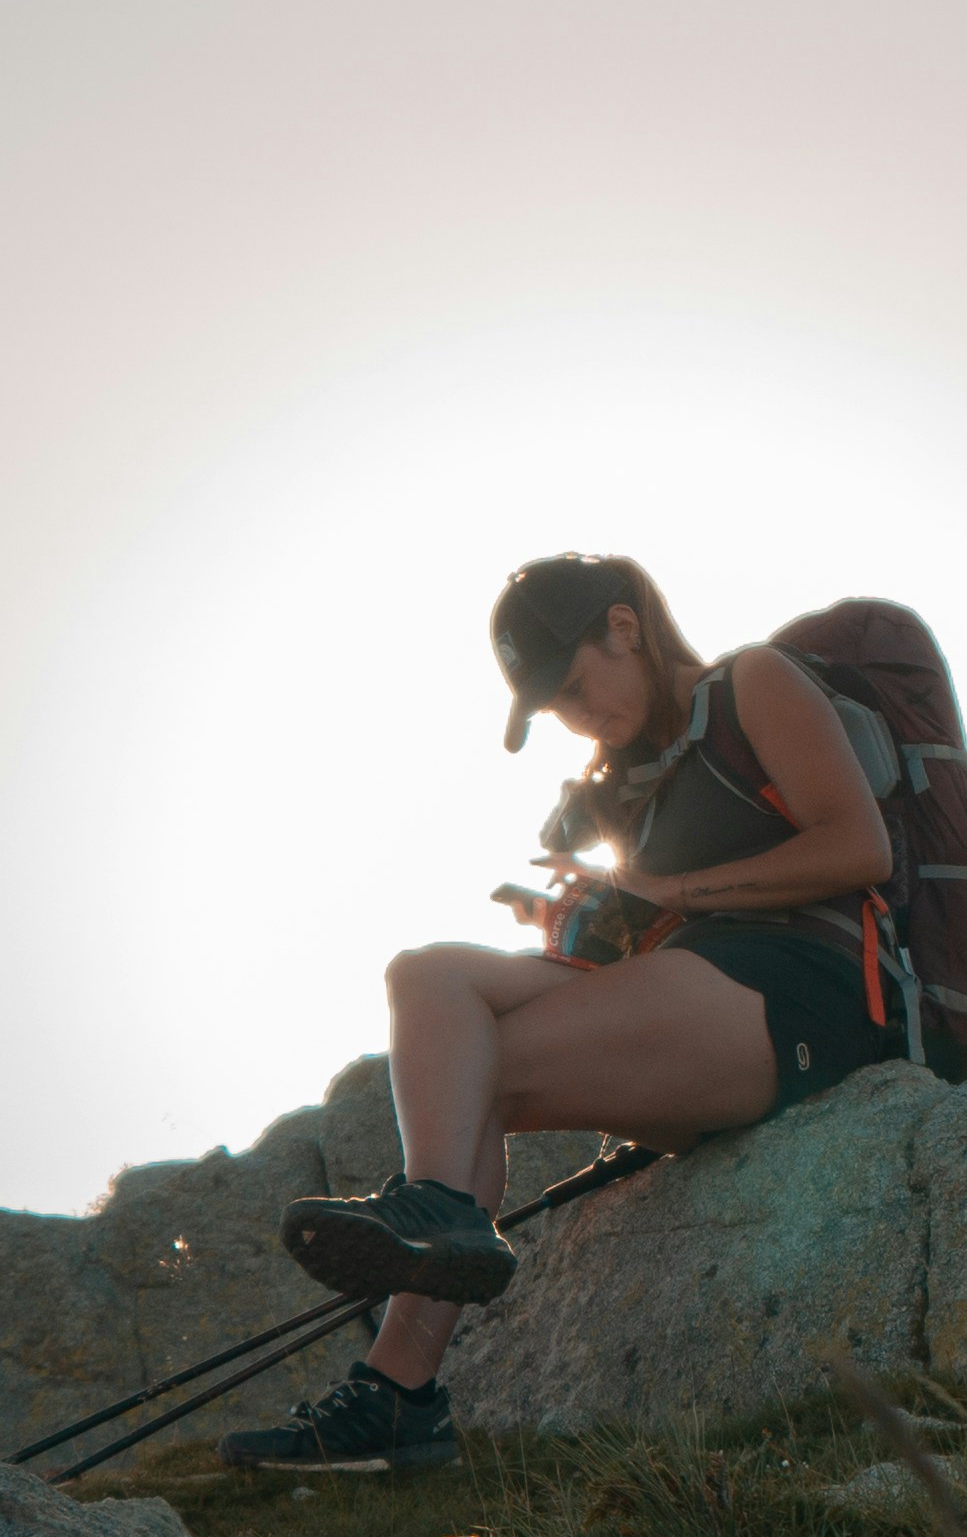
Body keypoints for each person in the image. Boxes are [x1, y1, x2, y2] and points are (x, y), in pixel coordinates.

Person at [224, 554, 904, 1472]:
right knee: (428, 979)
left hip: (802, 993)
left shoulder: (754, 684)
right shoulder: (622, 779)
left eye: (578, 687)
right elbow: (657, 938)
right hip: (695, 992)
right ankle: (422, 1292)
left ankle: (412, 1335)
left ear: (624, 628)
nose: (577, 718)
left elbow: (860, 847)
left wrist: (673, 889)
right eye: (557, 709)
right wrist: (592, 918)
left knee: (480, 1068)